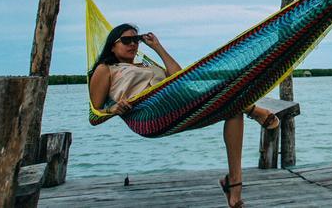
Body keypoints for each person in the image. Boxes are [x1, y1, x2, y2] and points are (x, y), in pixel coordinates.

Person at [88, 23, 280, 208]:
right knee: (227, 92)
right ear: (113, 45)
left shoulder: (145, 64)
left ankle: (234, 186)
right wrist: (113, 109)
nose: (133, 44)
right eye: (126, 40)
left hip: (177, 102)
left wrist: (158, 47)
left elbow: (178, 76)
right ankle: (254, 110)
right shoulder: (106, 69)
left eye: (136, 40)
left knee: (233, 110)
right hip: (150, 114)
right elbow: (95, 114)